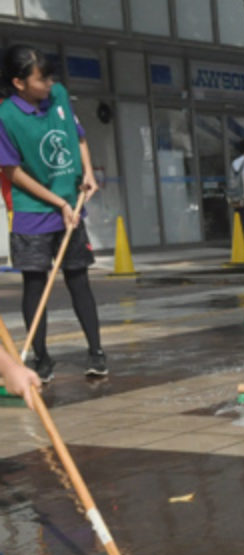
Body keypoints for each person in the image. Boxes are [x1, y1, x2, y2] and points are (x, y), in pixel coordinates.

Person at [0, 45, 107, 382]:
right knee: (35, 284)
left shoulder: (58, 95)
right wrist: (57, 203)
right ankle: (41, 358)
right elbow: (13, 172)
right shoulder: (6, 117)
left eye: (50, 77)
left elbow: (79, 138)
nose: (49, 84)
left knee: (79, 279)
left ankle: (97, 353)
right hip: (33, 212)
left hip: (70, 206)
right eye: (41, 78)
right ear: (19, 82)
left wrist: (87, 173)